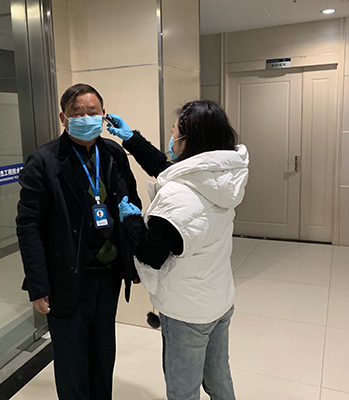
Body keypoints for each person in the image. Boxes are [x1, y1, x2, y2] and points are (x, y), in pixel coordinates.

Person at [107, 100, 249, 400]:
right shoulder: (220, 178)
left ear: (188, 141)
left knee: (183, 390)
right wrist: (131, 139)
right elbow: (171, 170)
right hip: (219, 299)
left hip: (186, 311)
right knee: (219, 377)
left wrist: (131, 219)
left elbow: (151, 255)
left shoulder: (176, 196)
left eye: (173, 133)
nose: (170, 139)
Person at [16, 83, 142, 400]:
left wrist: (134, 259)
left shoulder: (113, 154)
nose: (86, 118)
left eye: (92, 112)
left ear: (103, 114)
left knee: (103, 354)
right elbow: (28, 225)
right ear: (63, 118)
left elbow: (131, 204)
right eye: (77, 113)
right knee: (72, 360)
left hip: (109, 275)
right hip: (67, 277)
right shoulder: (43, 161)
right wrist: (38, 285)